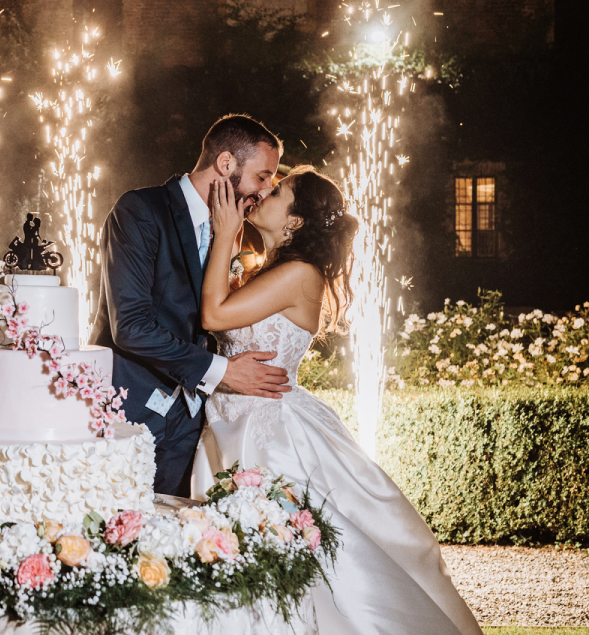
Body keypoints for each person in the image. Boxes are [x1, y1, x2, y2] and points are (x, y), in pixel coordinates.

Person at [192, 170, 483, 635]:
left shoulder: (298, 274)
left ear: (296, 222)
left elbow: (213, 314)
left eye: (278, 191)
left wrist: (226, 231)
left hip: (268, 434)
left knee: (287, 554)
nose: (264, 192)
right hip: (231, 422)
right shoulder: (271, 268)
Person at [90, 114, 292, 498]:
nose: (265, 191)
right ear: (227, 164)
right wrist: (223, 372)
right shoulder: (141, 210)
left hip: (192, 421)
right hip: (130, 412)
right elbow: (131, 325)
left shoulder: (233, 232)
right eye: (263, 176)